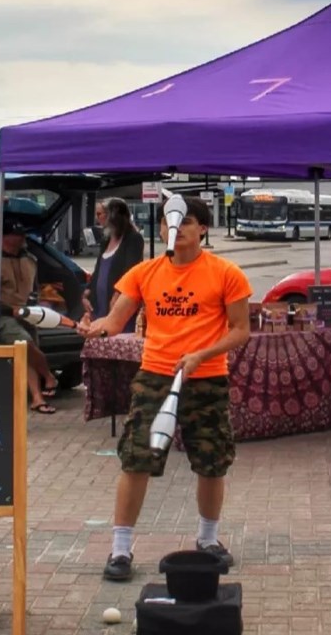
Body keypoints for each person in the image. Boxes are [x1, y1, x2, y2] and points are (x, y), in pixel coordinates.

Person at [83, 196, 252, 581]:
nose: (173, 229)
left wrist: (201, 355)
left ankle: (208, 540)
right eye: (166, 222)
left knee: (211, 461)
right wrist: (96, 327)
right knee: (136, 458)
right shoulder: (144, 273)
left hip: (206, 377)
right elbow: (116, 318)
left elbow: (241, 331)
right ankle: (120, 550)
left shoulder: (227, 273)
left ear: (203, 229)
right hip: (155, 376)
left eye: (186, 222)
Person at [0, 219, 59, 414]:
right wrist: (7, 310)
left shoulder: (30, 259)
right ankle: (49, 376)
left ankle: (37, 398)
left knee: (28, 354)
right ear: (4, 238)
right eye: (16, 235)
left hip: (25, 311)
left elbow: (34, 287)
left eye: (22, 234)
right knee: (25, 343)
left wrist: (37, 304)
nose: (21, 238)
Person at [81, 198, 145, 329]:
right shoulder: (107, 239)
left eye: (99, 214)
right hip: (99, 303)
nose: (97, 218)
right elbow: (98, 268)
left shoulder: (133, 239)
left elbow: (131, 270)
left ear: (113, 215)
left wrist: (118, 293)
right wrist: (87, 290)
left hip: (118, 302)